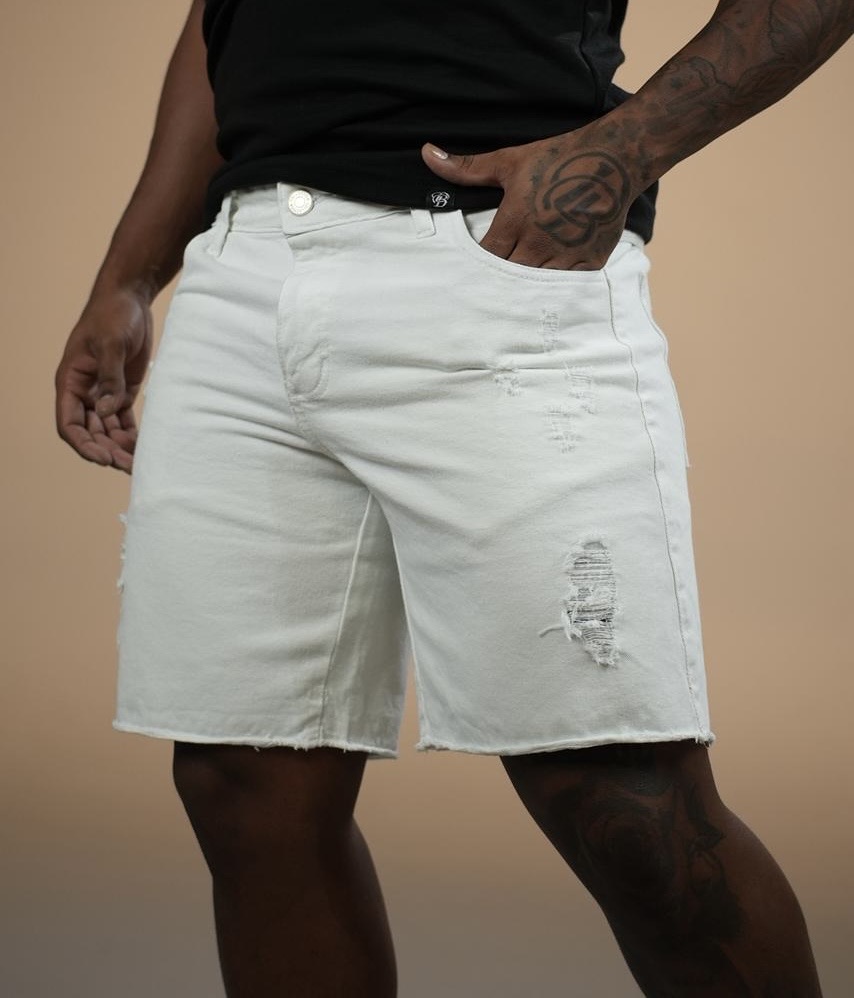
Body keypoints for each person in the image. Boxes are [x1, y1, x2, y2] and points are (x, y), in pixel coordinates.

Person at [54, 1, 851, 995]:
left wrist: (620, 150)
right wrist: (128, 278)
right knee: (245, 781)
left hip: (495, 264)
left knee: (627, 803)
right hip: (244, 273)